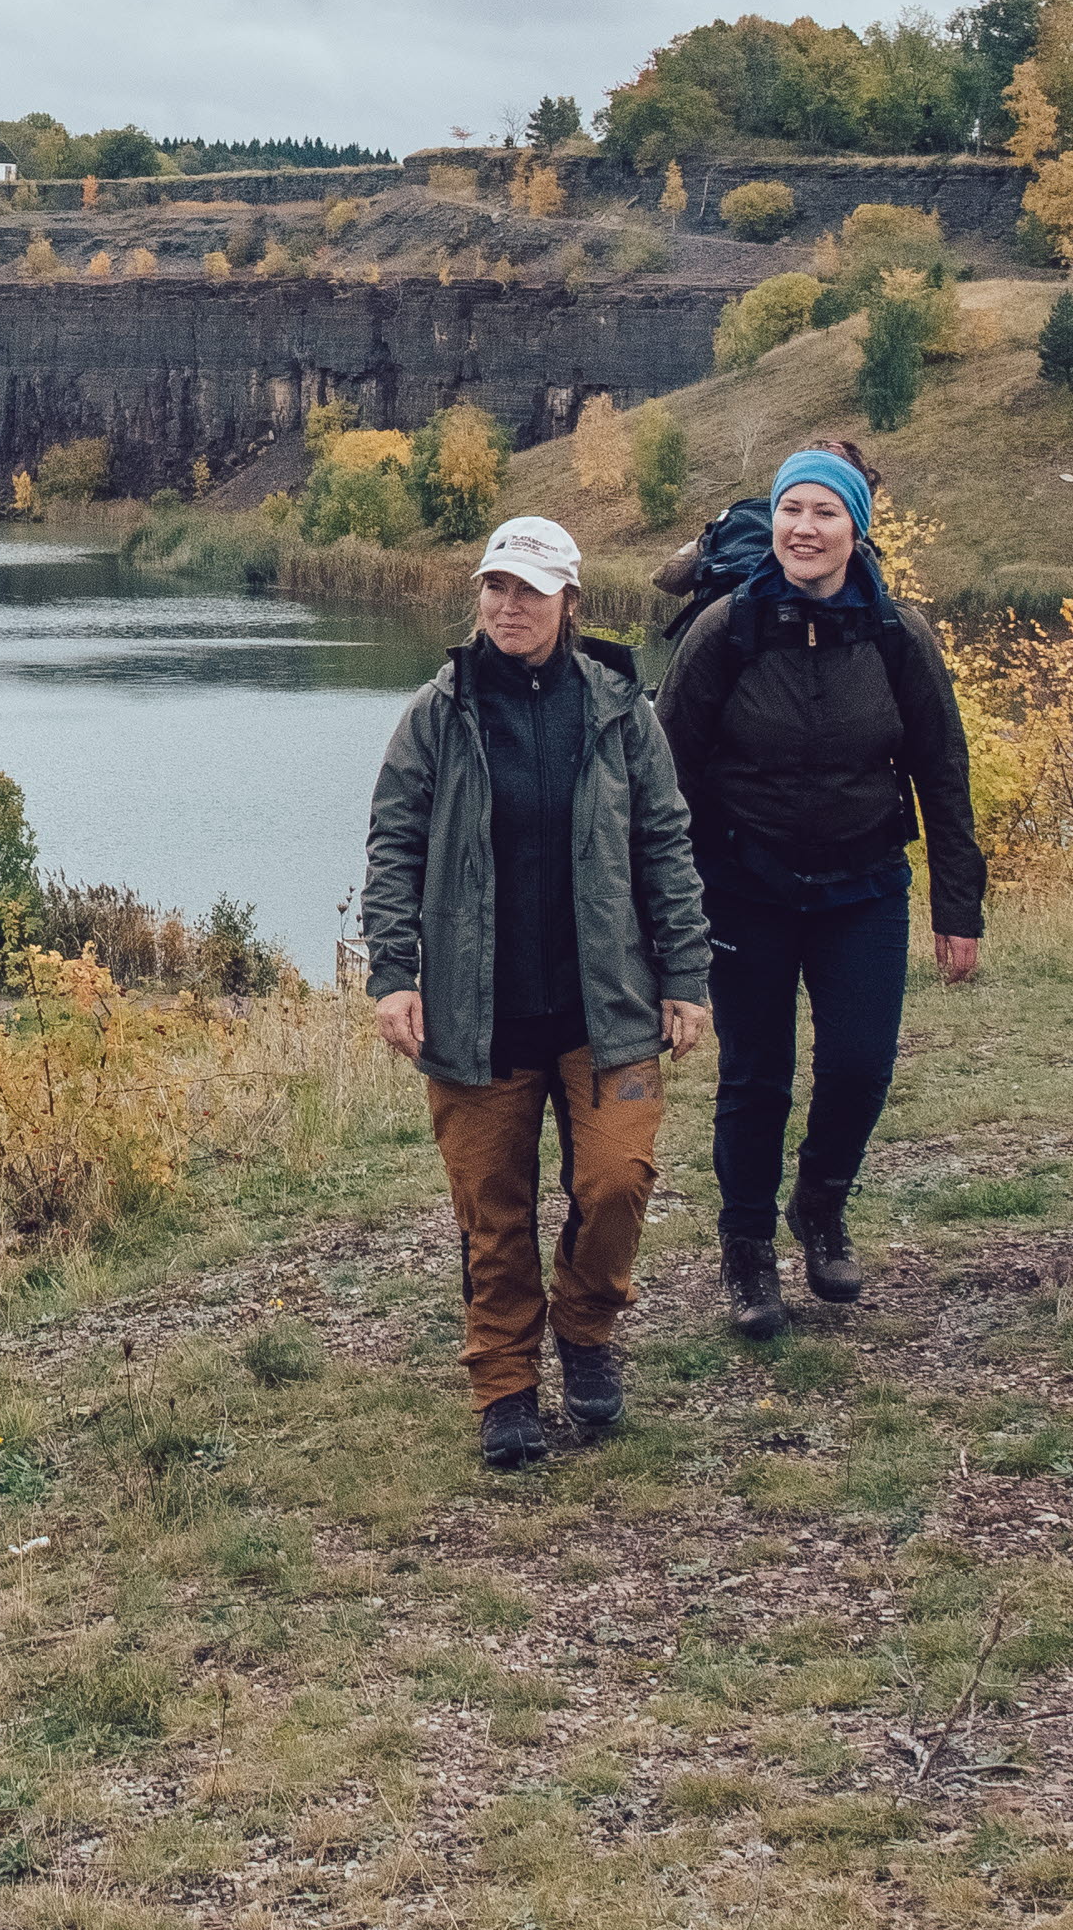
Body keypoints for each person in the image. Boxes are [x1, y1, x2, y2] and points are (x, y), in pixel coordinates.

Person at [363, 512, 714, 1471]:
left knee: (614, 1184)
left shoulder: (617, 711)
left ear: (569, 600)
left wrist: (685, 976)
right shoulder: (438, 712)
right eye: (495, 589)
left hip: (607, 1009)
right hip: (479, 1015)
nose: (508, 607)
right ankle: (504, 1386)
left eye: (529, 591)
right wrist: (392, 974)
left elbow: (665, 847)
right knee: (492, 1207)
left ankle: (587, 1330)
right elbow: (392, 846)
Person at [656, 444, 985, 1340]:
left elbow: (941, 771)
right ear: (774, 523)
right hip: (742, 886)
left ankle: (821, 1203)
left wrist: (959, 910)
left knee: (857, 1066)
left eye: (824, 513)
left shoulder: (896, 634)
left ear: (856, 529)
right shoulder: (722, 630)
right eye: (790, 511)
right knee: (755, 1076)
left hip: (863, 884)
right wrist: (662, 915)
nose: (804, 529)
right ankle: (746, 1249)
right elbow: (664, 780)